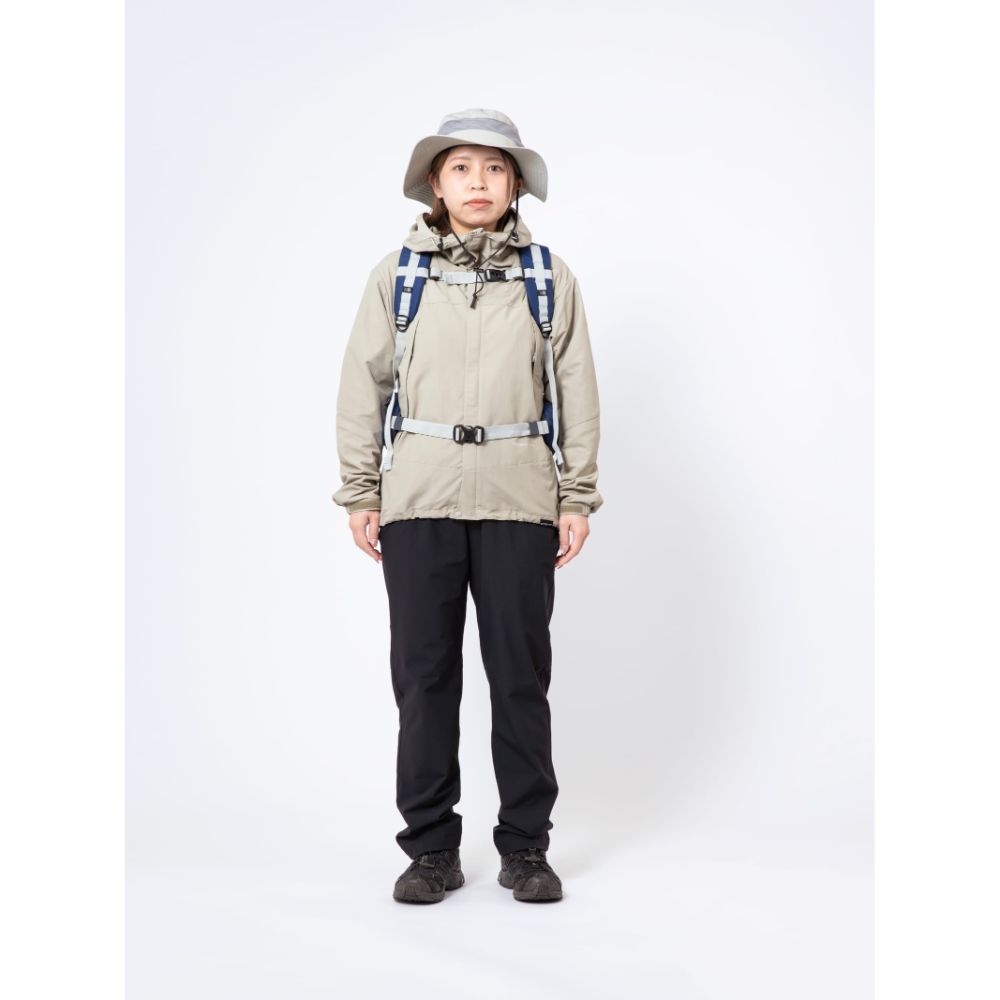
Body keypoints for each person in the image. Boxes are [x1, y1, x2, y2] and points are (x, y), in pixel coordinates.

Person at [331, 109, 604, 904]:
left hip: (521, 500)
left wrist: (576, 495)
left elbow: (578, 389)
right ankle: (430, 851)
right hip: (418, 501)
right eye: (461, 168)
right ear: (435, 183)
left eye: (494, 168)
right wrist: (362, 491)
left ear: (515, 184)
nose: (478, 182)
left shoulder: (548, 277)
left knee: (520, 679)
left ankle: (526, 849)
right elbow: (362, 387)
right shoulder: (397, 276)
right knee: (424, 681)